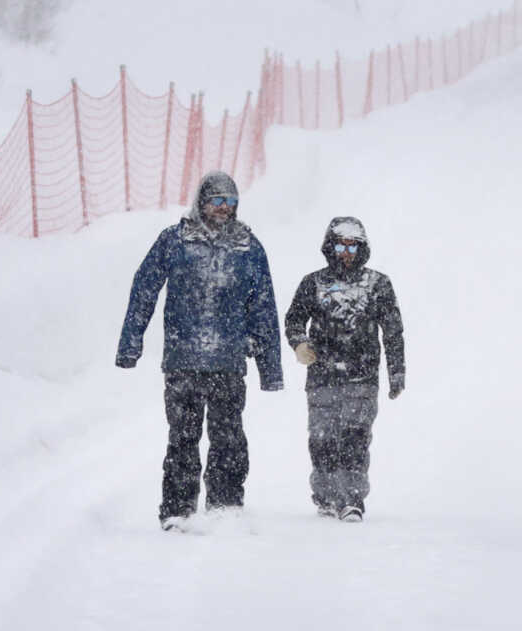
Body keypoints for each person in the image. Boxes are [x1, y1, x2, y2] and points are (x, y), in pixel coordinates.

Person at [116, 169, 284, 527]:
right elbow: (144, 288)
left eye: (231, 201)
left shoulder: (248, 247)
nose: (224, 208)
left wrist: (270, 370)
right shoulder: (175, 241)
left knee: (229, 439)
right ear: (201, 203)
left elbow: (264, 308)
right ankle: (178, 511)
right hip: (183, 360)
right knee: (183, 439)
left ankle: (225, 508)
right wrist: (130, 344)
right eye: (217, 200)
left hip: (228, 362)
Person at [283, 216, 406, 521]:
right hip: (322, 375)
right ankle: (325, 496)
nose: (346, 252)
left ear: (363, 249)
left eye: (353, 246)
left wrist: (397, 372)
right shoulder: (313, 283)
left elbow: (392, 331)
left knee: (355, 437)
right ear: (330, 247)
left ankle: (352, 499)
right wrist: (300, 344)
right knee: (322, 437)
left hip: (362, 375)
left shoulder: (378, 284)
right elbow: (294, 319)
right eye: (340, 245)